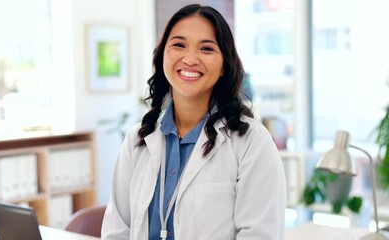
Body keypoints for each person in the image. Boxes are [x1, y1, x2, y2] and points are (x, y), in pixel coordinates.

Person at [101, 3, 287, 240]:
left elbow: (260, 235)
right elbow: (117, 230)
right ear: (162, 57)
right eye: (179, 45)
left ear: (223, 66)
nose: (190, 58)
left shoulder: (252, 142)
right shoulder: (137, 140)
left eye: (206, 49)